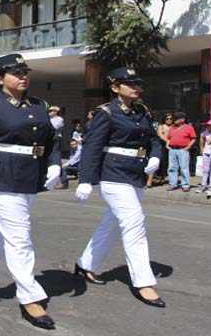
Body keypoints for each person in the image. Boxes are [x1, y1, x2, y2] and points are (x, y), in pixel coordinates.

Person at [0, 54, 61, 330]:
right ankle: (29, 296)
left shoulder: (39, 105)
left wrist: (54, 164)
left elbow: (51, 141)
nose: (23, 76)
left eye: (24, 72)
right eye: (16, 72)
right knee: (20, 237)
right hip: (0, 179)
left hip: (29, 177)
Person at [74, 66, 165, 308]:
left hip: (135, 174)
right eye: (130, 84)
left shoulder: (142, 110)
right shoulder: (107, 112)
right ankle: (143, 282)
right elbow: (92, 148)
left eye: (138, 84)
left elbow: (154, 139)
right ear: (115, 87)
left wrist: (156, 156)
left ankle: (86, 264)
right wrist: (86, 179)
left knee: (112, 224)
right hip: (113, 175)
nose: (136, 88)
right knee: (134, 222)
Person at [166, 111, 197, 191]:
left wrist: (188, 147)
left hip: (183, 149)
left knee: (184, 168)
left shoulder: (189, 127)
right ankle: (172, 184)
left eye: (176, 118)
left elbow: (193, 138)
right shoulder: (172, 128)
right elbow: (169, 138)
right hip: (172, 149)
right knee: (172, 167)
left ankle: (185, 185)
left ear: (182, 119)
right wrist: (168, 145)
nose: (174, 120)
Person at [197, 122, 211, 194]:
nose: (207, 127)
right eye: (207, 126)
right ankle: (203, 185)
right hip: (206, 152)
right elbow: (201, 140)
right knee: (205, 169)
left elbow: (210, 141)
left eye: (209, 126)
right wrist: (201, 149)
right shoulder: (204, 132)